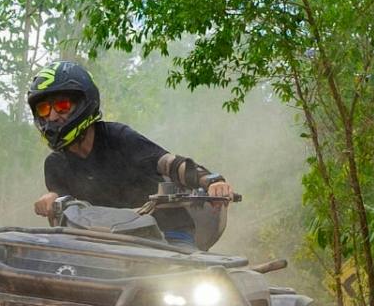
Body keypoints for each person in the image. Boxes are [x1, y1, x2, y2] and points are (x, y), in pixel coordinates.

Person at [25, 61, 233, 248]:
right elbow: (61, 209)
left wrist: (212, 181)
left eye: (62, 106)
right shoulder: (55, 165)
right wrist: (50, 200)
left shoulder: (118, 137)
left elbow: (169, 163)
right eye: (44, 109)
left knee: (192, 278)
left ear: (83, 102)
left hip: (166, 233)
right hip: (102, 243)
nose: (52, 116)